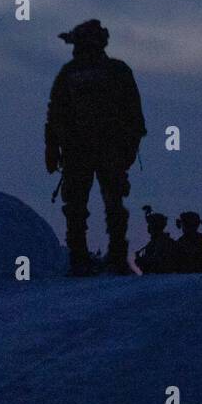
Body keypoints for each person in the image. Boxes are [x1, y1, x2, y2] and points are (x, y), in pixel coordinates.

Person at [44, 19, 146, 276]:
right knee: (87, 205)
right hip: (85, 150)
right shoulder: (85, 72)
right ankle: (88, 258)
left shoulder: (101, 71)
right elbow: (56, 112)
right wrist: (52, 146)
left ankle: (102, 258)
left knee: (100, 204)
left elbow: (133, 113)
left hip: (99, 149)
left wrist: (129, 145)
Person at [134, 206, 176, 275]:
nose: (148, 227)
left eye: (150, 224)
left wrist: (141, 261)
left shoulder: (163, 242)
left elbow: (158, 264)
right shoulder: (155, 242)